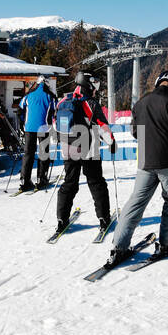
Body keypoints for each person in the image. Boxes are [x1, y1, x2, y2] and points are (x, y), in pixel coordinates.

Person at [104, 70, 168, 265]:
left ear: (159, 82)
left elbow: (135, 132)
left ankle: (119, 246)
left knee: (136, 202)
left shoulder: (141, 103)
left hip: (145, 160)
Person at [53, 73, 116, 235]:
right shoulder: (90, 103)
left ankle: (61, 219)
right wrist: (112, 142)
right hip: (89, 148)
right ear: (88, 84)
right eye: (94, 83)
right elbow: (102, 126)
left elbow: (55, 123)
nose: (96, 87)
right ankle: (103, 218)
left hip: (68, 149)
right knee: (96, 182)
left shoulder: (63, 100)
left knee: (69, 183)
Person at [17, 76, 56, 191]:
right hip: (44, 128)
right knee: (43, 153)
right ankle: (41, 179)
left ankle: (24, 180)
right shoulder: (50, 97)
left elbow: (20, 110)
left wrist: (23, 124)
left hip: (29, 128)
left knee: (28, 153)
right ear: (47, 85)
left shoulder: (28, 95)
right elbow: (55, 111)